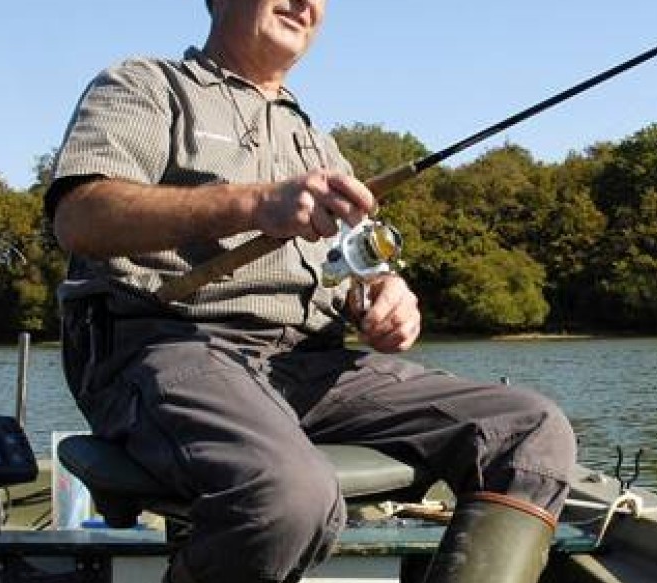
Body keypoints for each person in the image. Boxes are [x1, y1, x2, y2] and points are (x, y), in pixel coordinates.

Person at [46, 1, 576, 582]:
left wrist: (385, 295)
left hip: (309, 367)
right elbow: (80, 216)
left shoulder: (318, 144)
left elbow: (359, 267)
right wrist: (253, 203)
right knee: (288, 495)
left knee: (530, 432)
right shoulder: (147, 85)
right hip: (167, 347)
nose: (304, 4)